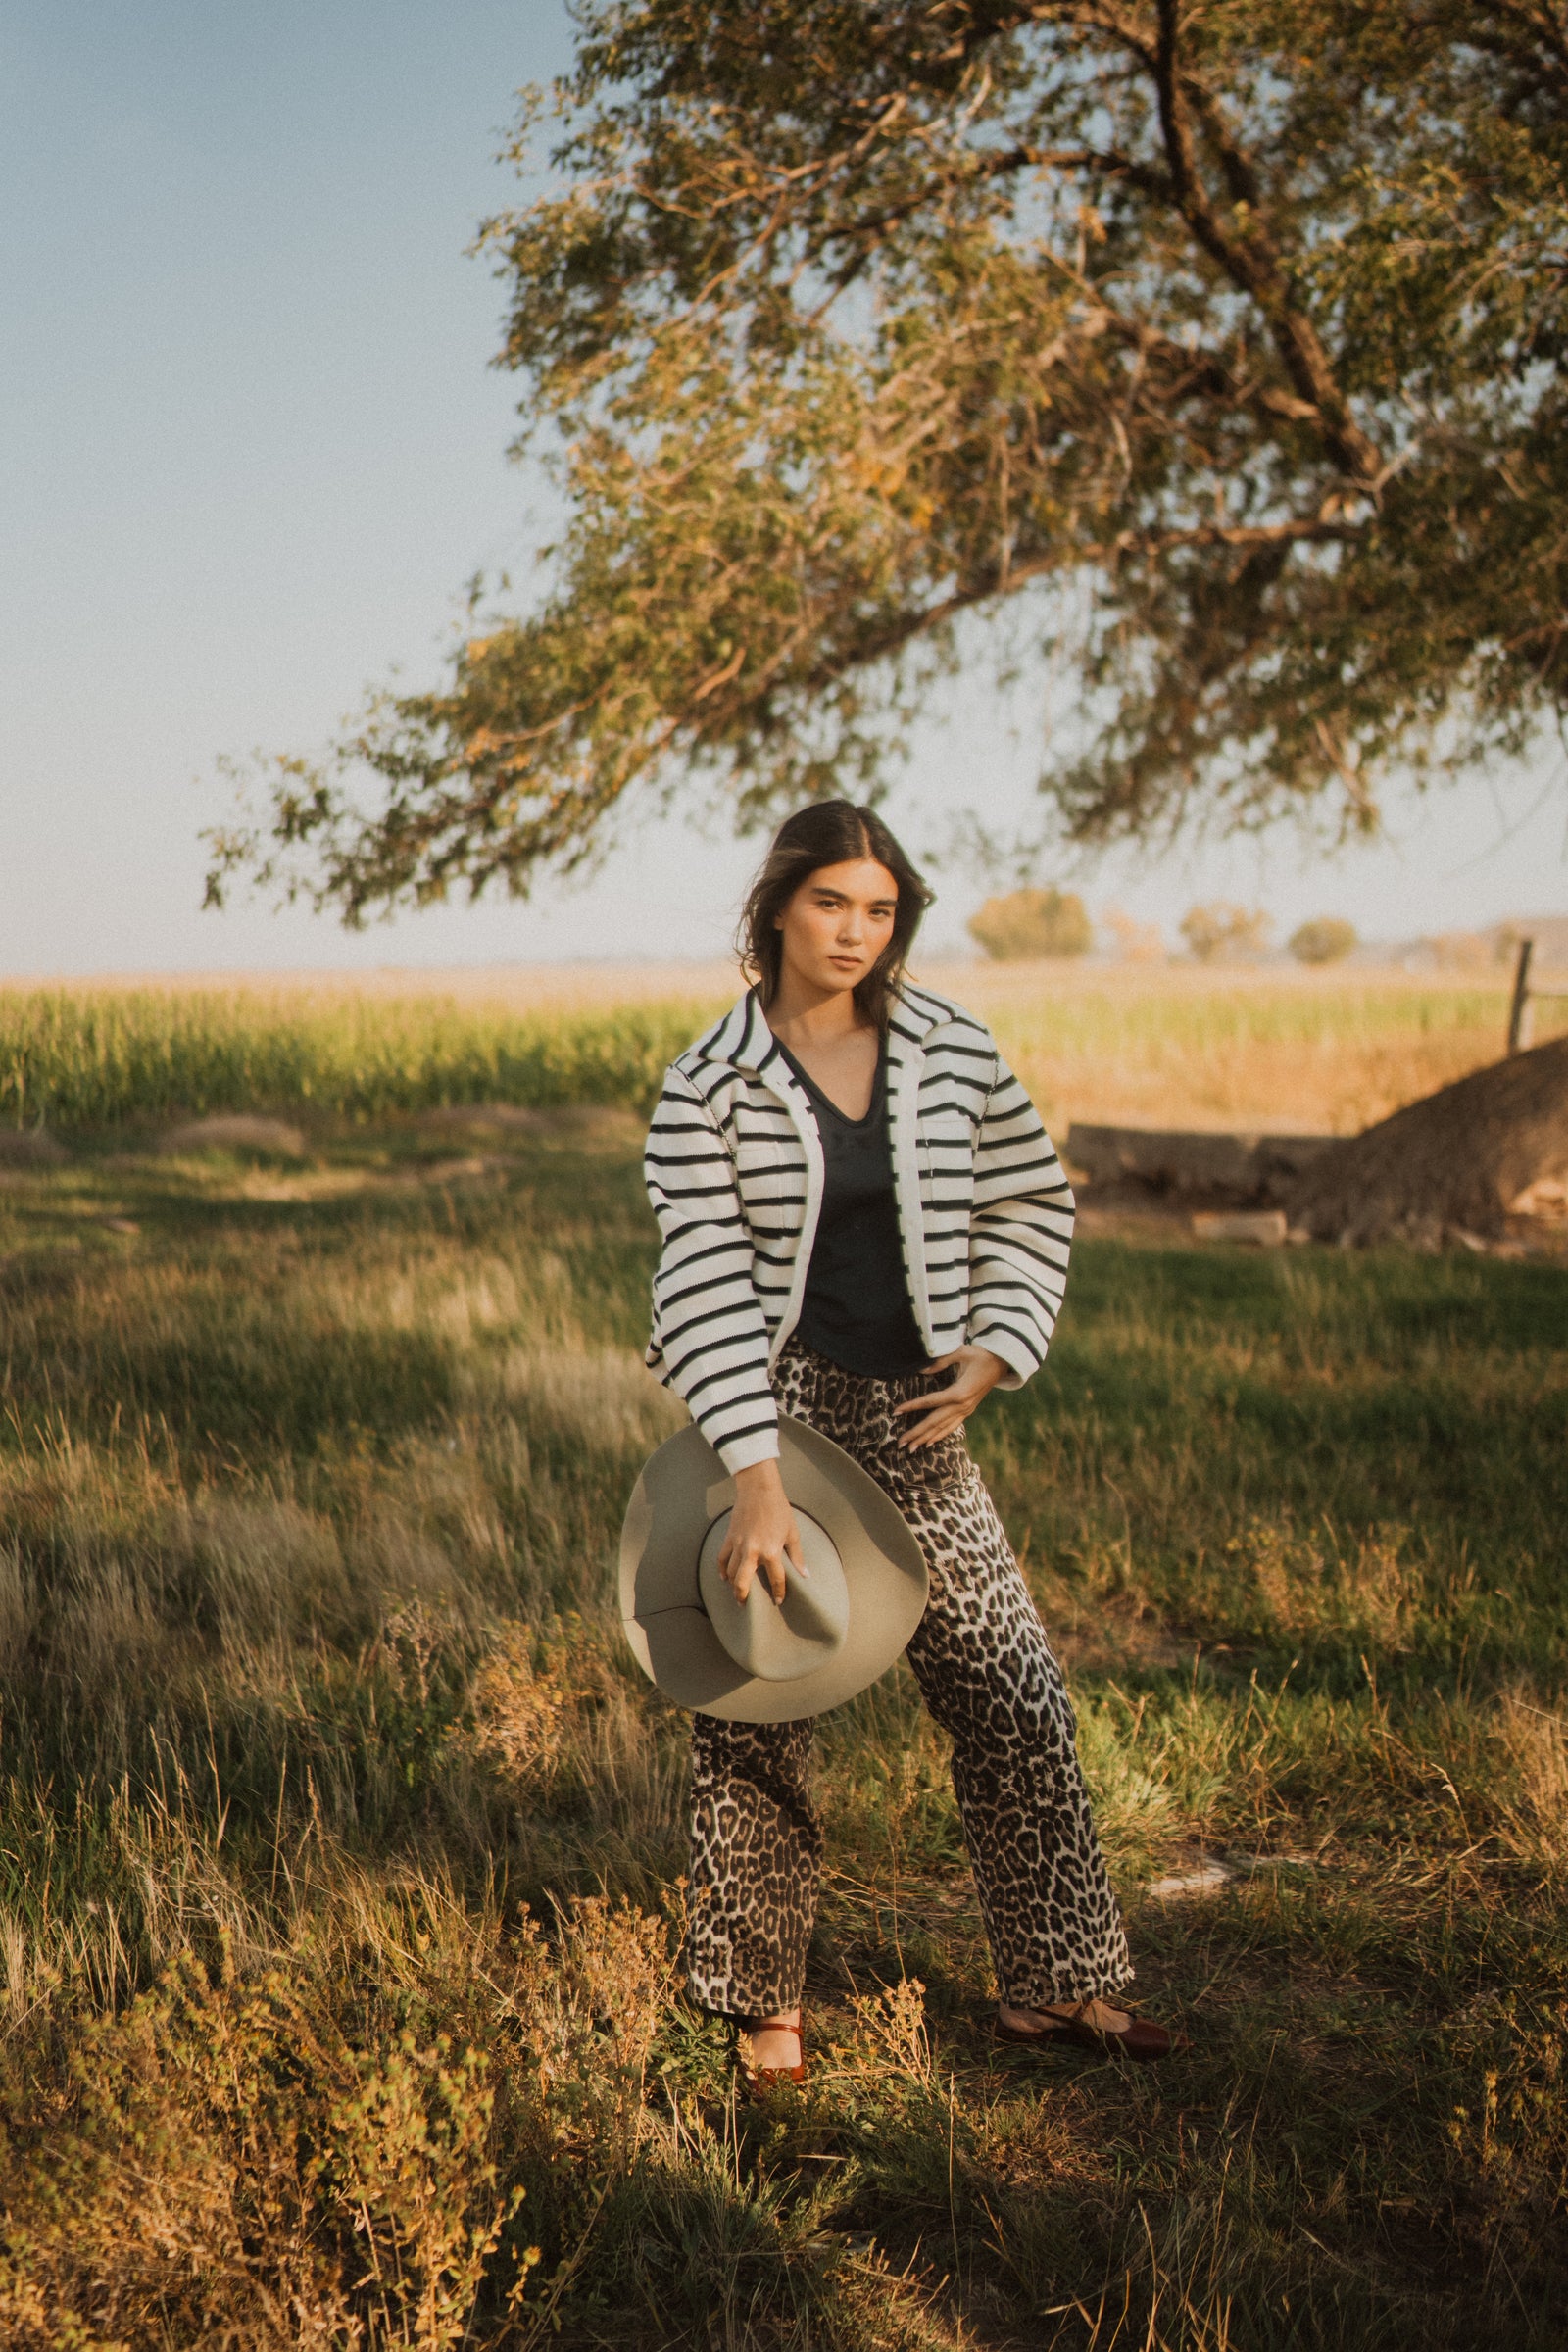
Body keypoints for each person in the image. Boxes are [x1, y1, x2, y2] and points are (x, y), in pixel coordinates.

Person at [643, 801, 1171, 2082]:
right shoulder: (708, 1083)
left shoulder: (946, 1048)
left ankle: (1060, 1987)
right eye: (832, 903)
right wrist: (754, 1480)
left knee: (1009, 1684)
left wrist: (998, 1344)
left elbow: (1029, 1194)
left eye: (880, 911)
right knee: (766, 1699)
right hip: (776, 1414)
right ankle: (761, 2005)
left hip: (915, 1406)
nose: (855, 932)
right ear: (778, 907)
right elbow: (700, 1277)